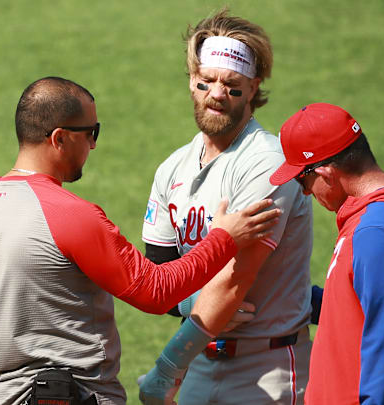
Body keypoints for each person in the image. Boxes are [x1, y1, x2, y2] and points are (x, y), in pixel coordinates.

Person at [0, 76, 282, 405]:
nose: (93, 144)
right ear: (59, 138)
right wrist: (224, 238)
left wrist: (17, 374)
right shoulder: (72, 215)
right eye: (90, 132)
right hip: (82, 395)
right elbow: (155, 291)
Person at [138, 10, 314, 405]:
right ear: (191, 82)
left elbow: (236, 281)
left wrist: (167, 368)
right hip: (202, 358)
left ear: (253, 88)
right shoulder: (172, 168)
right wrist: (192, 302)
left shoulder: (266, 163)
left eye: (232, 85)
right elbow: (161, 275)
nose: (216, 94)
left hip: (266, 368)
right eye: (206, 82)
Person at [269, 102, 384, 404]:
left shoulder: (379, 235)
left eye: (301, 179)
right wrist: (299, 300)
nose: (304, 191)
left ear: (326, 173)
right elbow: (365, 309)